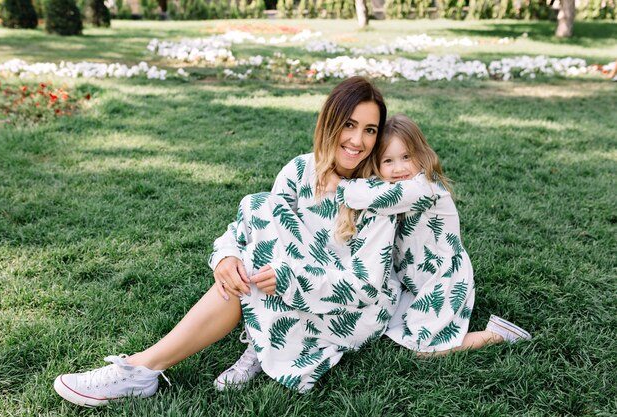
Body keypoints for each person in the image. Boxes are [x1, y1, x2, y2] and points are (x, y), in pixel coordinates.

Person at [53, 76, 402, 407]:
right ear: (330, 122)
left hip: (349, 310)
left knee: (257, 222)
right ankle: (160, 365)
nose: (357, 141)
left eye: (369, 130)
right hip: (284, 281)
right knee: (256, 219)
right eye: (349, 125)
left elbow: (364, 287)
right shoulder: (301, 170)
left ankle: (145, 368)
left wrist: (290, 280)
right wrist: (226, 255)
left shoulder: (378, 195)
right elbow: (253, 227)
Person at [335, 114, 532, 356]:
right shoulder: (397, 185)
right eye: (388, 161)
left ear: (421, 154)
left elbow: (370, 196)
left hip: (443, 279)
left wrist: (340, 183)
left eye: (406, 157)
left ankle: (495, 335)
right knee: (387, 327)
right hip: (412, 279)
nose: (399, 168)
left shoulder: (423, 188)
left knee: (423, 350)